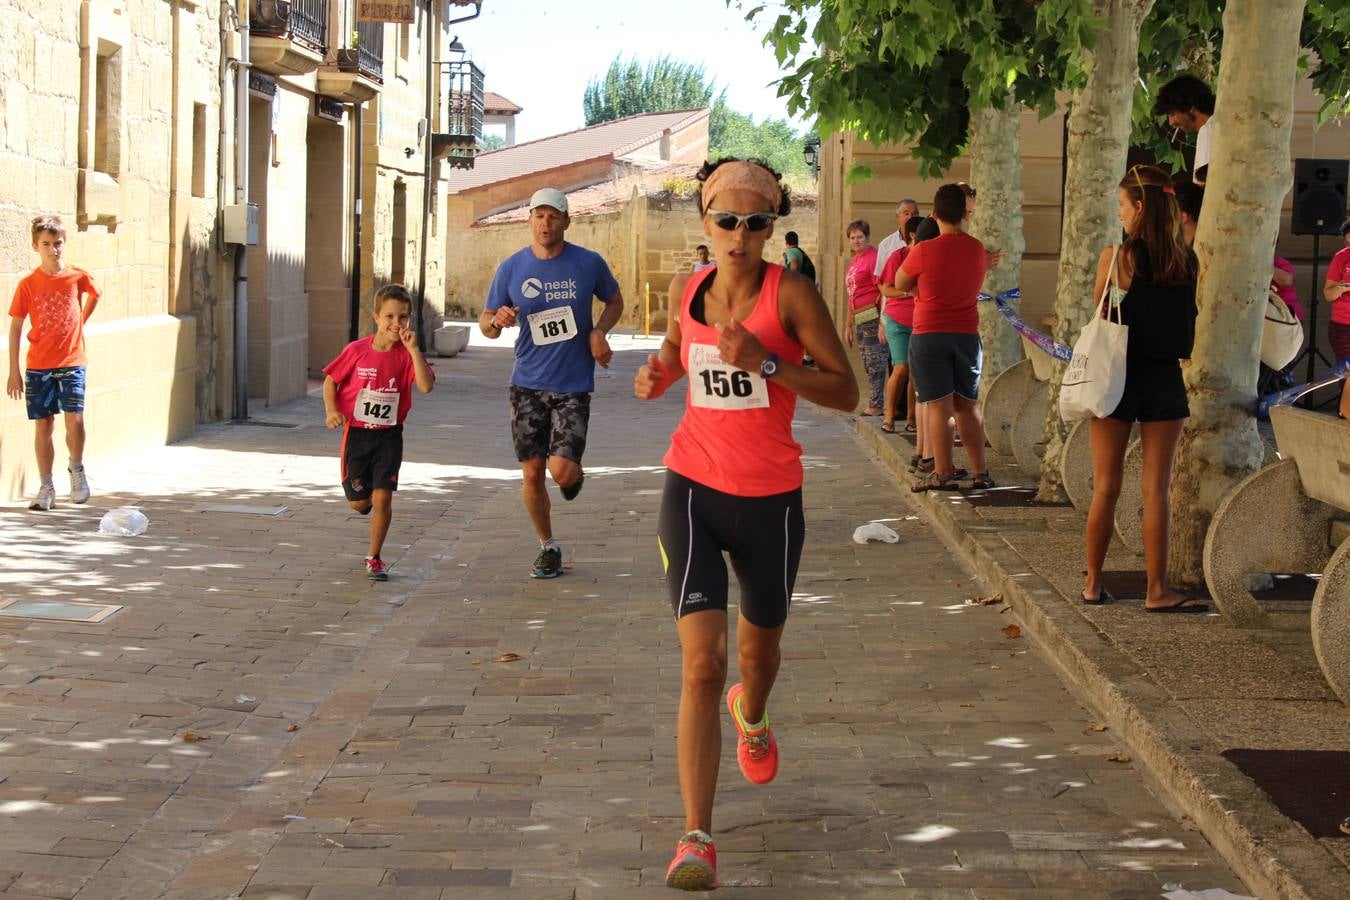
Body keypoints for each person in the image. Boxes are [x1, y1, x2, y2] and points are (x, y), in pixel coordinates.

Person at [634, 157, 858, 891]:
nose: (739, 234)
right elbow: (675, 348)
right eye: (725, 220)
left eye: (755, 222)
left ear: (770, 228)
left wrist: (768, 364)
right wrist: (660, 371)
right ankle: (696, 835)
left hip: (770, 503)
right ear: (706, 220)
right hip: (693, 486)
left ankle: (752, 717)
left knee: (756, 664)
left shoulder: (789, 295)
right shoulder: (688, 288)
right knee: (702, 664)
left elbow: (848, 391)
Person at [480, 188, 624, 579]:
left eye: (553, 216)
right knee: (531, 473)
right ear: (530, 220)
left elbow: (614, 301)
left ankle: (572, 474)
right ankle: (548, 546)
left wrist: (599, 332)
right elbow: (486, 322)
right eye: (539, 215)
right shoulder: (511, 268)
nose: (545, 223)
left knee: (560, 472)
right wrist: (497, 322)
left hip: (573, 384)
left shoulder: (588, 263)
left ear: (566, 221)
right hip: (526, 383)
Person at [1081, 165, 1206, 612]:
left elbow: (1101, 309)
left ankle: (1093, 582)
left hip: (1117, 374)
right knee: (1157, 489)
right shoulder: (1185, 258)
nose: (1119, 214)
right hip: (1164, 377)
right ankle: (1157, 590)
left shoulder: (1119, 257)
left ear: (1138, 206)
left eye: (1121, 205)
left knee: (1106, 486)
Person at [322, 284, 436, 581]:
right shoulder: (356, 351)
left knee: (384, 498)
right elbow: (330, 381)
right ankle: (367, 496)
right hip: (358, 435)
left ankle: (374, 557)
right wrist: (332, 411)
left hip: (389, 435)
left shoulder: (406, 354)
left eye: (403, 317)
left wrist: (414, 351)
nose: (396, 324)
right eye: (389, 317)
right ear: (376, 317)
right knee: (360, 503)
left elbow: (425, 386)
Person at [897, 184, 996, 491]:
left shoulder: (923, 250)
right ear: (965, 215)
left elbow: (901, 283)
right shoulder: (977, 248)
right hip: (966, 334)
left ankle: (943, 473)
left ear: (935, 213)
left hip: (930, 334)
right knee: (968, 405)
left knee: (939, 407)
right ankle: (981, 472)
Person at [7, 215, 100, 511]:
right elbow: (15, 327)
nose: (53, 249)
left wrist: (80, 322)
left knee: (75, 417)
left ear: (64, 243)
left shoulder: (77, 276)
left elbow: (95, 294)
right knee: (44, 424)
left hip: (72, 360)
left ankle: (76, 469)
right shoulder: (28, 285)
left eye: (57, 243)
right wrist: (13, 371)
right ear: (36, 246)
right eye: (46, 244)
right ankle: (46, 485)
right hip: (38, 365)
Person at [876, 213, 924, 433]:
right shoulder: (898, 256)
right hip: (897, 320)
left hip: (922, 320)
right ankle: (889, 414)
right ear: (914, 235)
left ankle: (912, 418)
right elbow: (885, 288)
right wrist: (909, 292)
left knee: (915, 371)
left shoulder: (927, 256)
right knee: (901, 367)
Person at [844, 219, 885, 416]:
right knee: (867, 361)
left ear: (867, 237)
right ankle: (874, 402)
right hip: (859, 317)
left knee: (874, 360)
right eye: (852, 237)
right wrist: (848, 325)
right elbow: (851, 294)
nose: (856, 240)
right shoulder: (854, 261)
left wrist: (882, 322)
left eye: (860, 237)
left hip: (872, 316)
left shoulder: (873, 258)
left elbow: (882, 290)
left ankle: (876, 405)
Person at [1154, 74, 1215, 186]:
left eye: (1172, 114)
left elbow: (1202, 185)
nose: (1170, 122)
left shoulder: (1207, 131)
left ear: (1190, 107)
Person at [1323, 217, 1350, 420]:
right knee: (1348, 375)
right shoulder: (1341, 258)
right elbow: (1328, 294)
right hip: (1343, 327)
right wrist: (1340, 288)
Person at [872, 198, 920, 281]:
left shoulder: (925, 240)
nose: (910, 217)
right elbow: (879, 277)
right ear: (897, 217)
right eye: (906, 213)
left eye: (914, 214)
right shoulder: (885, 245)